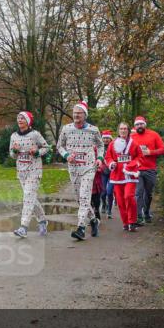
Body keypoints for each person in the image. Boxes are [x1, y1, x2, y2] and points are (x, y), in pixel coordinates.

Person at [56, 101, 104, 241]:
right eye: (75, 113)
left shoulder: (93, 130)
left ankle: (81, 228)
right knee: (79, 199)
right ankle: (94, 220)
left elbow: (100, 145)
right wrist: (66, 155)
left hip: (89, 167)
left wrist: (100, 158)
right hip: (73, 168)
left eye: (79, 113)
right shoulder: (66, 129)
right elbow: (60, 146)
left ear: (85, 115)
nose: (76, 115)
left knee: (84, 197)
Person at [9, 111, 50, 238]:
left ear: (28, 121)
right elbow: (12, 154)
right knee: (31, 198)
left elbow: (46, 147)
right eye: (18, 118)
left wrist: (37, 152)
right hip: (21, 171)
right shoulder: (14, 136)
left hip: (34, 169)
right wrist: (15, 151)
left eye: (23, 118)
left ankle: (23, 227)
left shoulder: (35, 134)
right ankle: (42, 221)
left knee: (27, 196)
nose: (20, 120)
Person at [130, 116, 164, 223]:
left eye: (141, 124)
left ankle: (146, 212)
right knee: (138, 192)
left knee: (148, 193)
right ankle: (138, 216)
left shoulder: (154, 135)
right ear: (134, 126)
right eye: (137, 124)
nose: (139, 126)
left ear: (145, 124)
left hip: (150, 169)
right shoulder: (131, 137)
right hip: (137, 169)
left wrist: (150, 152)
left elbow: (163, 149)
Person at [105, 123, 138, 231]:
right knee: (120, 201)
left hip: (130, 175)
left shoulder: (134, 143)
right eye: (121, 129)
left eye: (125, 129)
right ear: (118, 130)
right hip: (117, 176)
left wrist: (131, 165)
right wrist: (111, 164)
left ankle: (132, 221)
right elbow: (108, 157)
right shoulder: (113, 144)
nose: (123, 131)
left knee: (128, 196)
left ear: (128, 130)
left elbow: (139, 157)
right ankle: (125, 222)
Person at [100, 130, 115, 218]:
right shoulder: (100, 148)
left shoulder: (114, 147)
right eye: (104, 138)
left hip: (113, 172)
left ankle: (109, 209)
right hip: (103, 172)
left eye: (107, 138)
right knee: (103, 192)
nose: (105, 140)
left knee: (109, 192)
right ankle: (104, 204)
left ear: (110, 139)